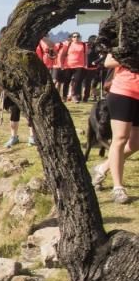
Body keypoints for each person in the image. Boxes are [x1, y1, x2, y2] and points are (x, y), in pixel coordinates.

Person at [92, 54, 139, 204]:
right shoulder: (128, 35)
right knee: (120, 138)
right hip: (124, 91)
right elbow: (108, 62)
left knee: (136, 143)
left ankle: (102, 168)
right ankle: (118, 188)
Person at [59, 32, 88, 103]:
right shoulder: (68, 44)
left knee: (77, 81)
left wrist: (86, 64)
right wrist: (61, 64)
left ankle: (75, 96)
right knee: (66, 81)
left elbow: (85, 55)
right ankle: (64, 96)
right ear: (71, 38)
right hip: (68, 65)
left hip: (79, 65)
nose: (76, 38)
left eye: (78, 36)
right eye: (74, 36)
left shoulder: (84, 45)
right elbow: (62, 55)